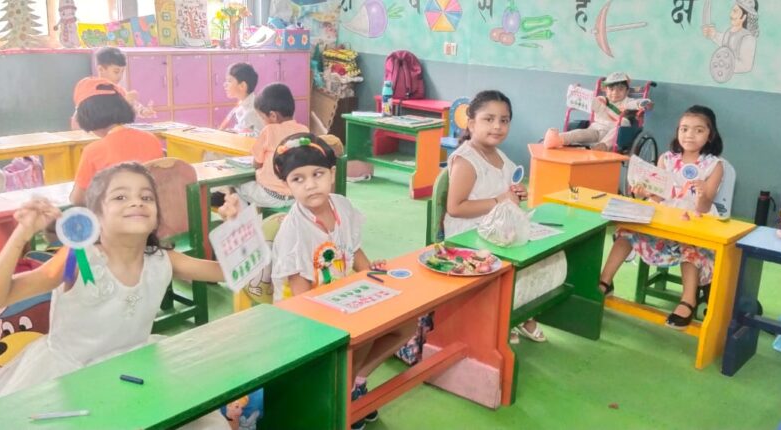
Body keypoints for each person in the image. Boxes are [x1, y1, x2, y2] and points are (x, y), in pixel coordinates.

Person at [0, 162, 241, 429]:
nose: (137, 202)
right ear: (95, 216)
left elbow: (231, 272)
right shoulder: (78, 259)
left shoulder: (163, 259)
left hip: (134, 368)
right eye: (120, 196)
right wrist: (22, 233)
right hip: (67, 376)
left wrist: (236, 228)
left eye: (146, 197)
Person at [269, 133, 414, 430]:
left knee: (407, 325)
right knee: (361, 335)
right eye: (298, 179)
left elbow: (354, 251)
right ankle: (340, 399)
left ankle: (354, 384)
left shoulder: (342, 207)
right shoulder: (294, 230)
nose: (310, 184)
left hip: (344, 299)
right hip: (305, 315)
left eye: (317, 174)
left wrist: (372, 275)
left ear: (332, 174)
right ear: (286, 186)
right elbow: (301, 301)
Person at [444, 90, 565, 344]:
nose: (497, 126)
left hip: (497, 228)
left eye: (504, 120)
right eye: (489, 119)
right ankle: (504, 316)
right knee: (520, 259)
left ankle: (519, 312)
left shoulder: (500, 156)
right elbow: (455, 208)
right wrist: (500, 200)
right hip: (469, 234)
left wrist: (516, 193)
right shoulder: (466, 160)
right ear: (471, 122)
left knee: (550, 254)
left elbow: (504, 192)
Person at [598, 105, 725, 329]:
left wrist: (703, 194)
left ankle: (688, 300)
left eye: (698, 130)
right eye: (684, 129)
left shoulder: (714, 166)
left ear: (710, 135)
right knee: (626, 232)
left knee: (691, 248)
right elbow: (658, 197)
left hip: (694, 223)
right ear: (677, 132)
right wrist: (644, 193)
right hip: (663, 222)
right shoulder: (667, 159)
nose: (689, 135)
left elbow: (704, 208)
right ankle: (605, 281)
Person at [69, 78, 163, 206]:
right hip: (150, 212)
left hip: (117, 216)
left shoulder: (93, 151)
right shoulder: (151, 139)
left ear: (87, 116)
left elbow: (77, 199)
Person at [233, 83, 308, 209]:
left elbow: (257, 164)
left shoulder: (268, 131)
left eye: (263, 118)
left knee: (237, 185)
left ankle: (247, 219)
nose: (263, 122)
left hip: (269, 196)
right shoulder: (304, 130)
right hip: (295, 196)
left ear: (273, 115)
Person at [547, 72, 652, 151]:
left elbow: (636, 103)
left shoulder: (627, 101)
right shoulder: (601, 100)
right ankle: (557, 139)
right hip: (595, 130)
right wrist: (577, 92)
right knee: (579, 133)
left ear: (626, 91)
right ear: (606, 90)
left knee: (623, 123)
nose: (615, 93)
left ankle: (603, 146)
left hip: (612, 134)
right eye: (611, 89)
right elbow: (587, 100)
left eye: (620, 89)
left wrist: (644, 103)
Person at [71, 47, 154, 129]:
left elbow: (134, 106)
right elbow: (100, 114)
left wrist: (143, 111)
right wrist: (125, 103)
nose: (120, 76)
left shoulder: (118, 90)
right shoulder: (89, 87)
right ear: (101, 69)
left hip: (109, 133)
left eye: (122, 71)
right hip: (86, 131)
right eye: (116, 72)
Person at [218, 63, 266, 136]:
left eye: (229, 81)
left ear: (242, 86)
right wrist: (234, 131)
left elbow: (260, 136)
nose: (225, 84)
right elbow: (244, 129)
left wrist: (237, 134)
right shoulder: (243, 104)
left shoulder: (253, 110)